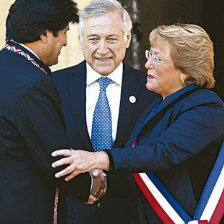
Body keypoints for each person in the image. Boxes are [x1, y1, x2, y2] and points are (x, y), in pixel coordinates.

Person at [52, 24, 224, 223]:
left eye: (157, 58)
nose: (148, 64)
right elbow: (135, 167)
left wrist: (98, 158)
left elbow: (163, 153)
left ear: (185, 71)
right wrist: (97, 182)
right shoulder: (155, 108)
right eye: (149, 54)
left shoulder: (205, 106)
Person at [52, 0, 158, 223]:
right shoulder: (54, 86)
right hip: (72, 215)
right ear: (81, 40)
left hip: (134, 215)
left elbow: (158, 154)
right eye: (93, 39)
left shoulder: (151, 90)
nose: (102, 49)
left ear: (127, 38)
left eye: (111, 38)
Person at [0, 1, 105, 223]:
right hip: (26, 210)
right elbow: (55, 160)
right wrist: (92, 185)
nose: (65, 42)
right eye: (64, 33)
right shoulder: (33, 83)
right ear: (44, 33)